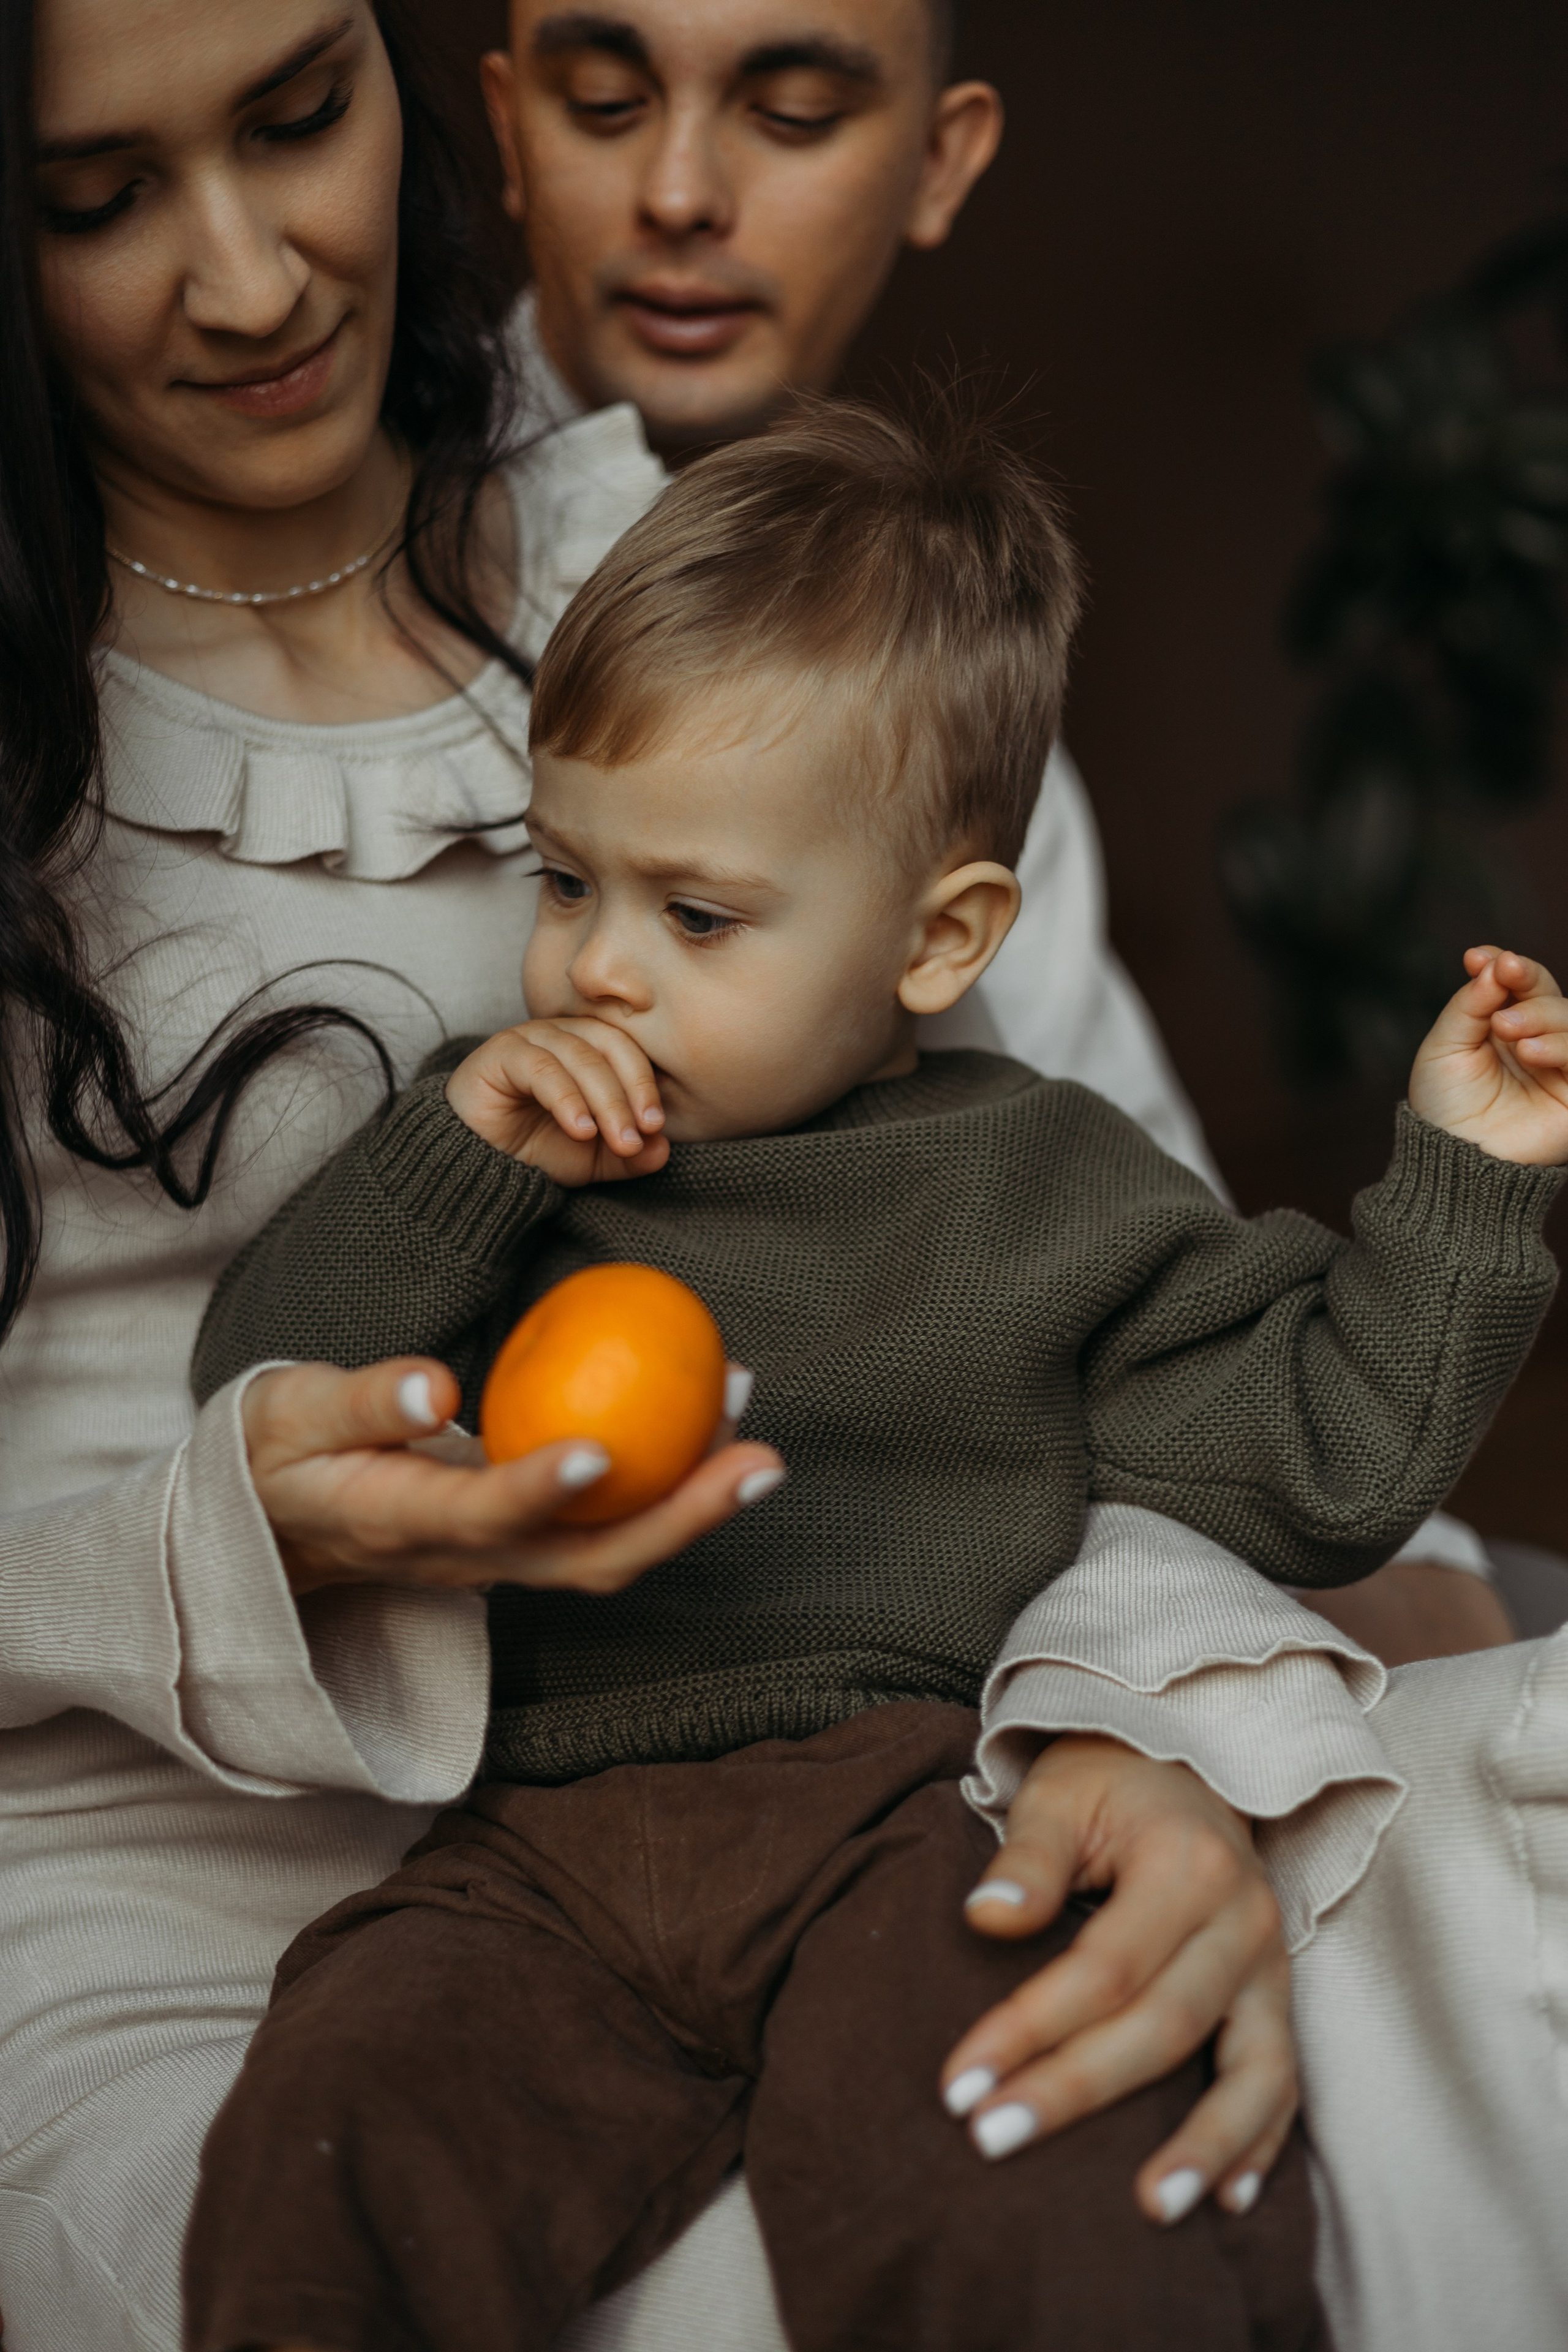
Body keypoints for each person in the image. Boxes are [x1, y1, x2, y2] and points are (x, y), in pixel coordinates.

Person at [0, 5, 1303, 2350]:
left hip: (826, 1774)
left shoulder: (732, 592)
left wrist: (1153, 1721)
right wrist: (248, 1537)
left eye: (301, 118)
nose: (255, 280)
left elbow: (1113, 1314)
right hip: (147, 1865)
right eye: (93, 199)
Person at [179, 400, 1567, 2352]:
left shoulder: (1046, 1184)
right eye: (563, 880)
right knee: (335, 2135)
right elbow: (262, 1395)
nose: (598, 971)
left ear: (940, 940)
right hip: (534, 1847)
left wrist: (1467, 1182)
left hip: (910, 1815)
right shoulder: (497, 1151)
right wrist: (452, 1160)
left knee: (1039, 2179)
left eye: (697, 914)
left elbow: (1322, 1455)